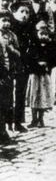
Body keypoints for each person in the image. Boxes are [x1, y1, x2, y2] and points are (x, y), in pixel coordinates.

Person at [26, 20, 56, 128]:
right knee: (34, 95)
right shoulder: (33, 45)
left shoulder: (50, 46)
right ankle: (34, 118)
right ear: (37, 33)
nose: (43, 36)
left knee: (43, 96)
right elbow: (28, 59)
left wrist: (48, 64)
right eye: (41, 34)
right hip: (35, 74)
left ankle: (41, 118)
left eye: (45, 34)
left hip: (44, 76)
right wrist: (37, 64)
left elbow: (55, 59)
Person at [11, 0, 35, 133]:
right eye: (21, 11)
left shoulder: (30, 27)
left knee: (21, 92)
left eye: (27, 12)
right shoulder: (10, 27)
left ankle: (18, 121)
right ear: (14, 13)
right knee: (7, 93)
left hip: (24, 63)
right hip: (10, 63)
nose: (25, 15)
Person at [0, 11, 20, 143]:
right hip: (1, 72)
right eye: (3, 20)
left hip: (8, 73)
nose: (6, 23)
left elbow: (18, 53)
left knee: (7, 102)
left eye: (8, 21)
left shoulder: (12, 36)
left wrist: (13, 50)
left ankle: (6, 129)